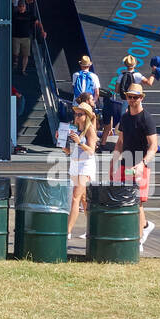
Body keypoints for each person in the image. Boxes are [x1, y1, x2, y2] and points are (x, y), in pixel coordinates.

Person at [111, 83, 157, 249]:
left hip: (140, 164)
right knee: (121, 199)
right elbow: (121, 141)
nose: (131, 99)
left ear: (141, 97)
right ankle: (144, 226)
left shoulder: (147, 118)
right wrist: (113, 160)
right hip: (125, 163)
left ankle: (138, 241)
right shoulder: (124, 117)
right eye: (129, 96)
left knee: (137, 202)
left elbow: (154, 146)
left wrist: (142, 163)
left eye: (135, 97)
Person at [66, 101, 99, 238]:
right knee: (85, 199)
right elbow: (71, 151)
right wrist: (63, 145)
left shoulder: (89, 129)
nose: (77, 116)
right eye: (76, 113)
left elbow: (91, 151)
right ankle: (94, 228)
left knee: (75, 197)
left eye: (80, 114)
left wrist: (79, 142)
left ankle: (67, 231)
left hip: (86, 164)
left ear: (87, 116)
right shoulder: (75, 128)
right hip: (75, 163)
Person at [12, 0, 46, 74]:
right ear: (18, 7)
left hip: (26, 37)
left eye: (23, 6)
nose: (21, 8)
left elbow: (38, 23)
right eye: (20, 6)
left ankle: (23, 69)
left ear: (25, 7)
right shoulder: (14, 14)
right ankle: (15, 61)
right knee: (15, 53)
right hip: (16, 36)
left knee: (26, 54)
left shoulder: (29, 14)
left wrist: (42, 31)